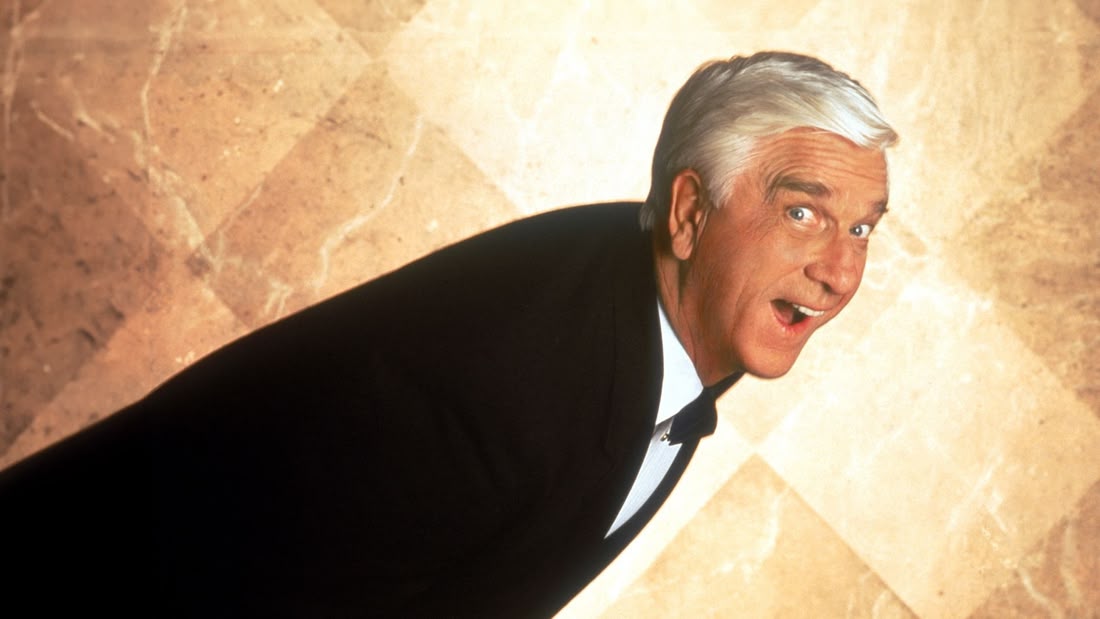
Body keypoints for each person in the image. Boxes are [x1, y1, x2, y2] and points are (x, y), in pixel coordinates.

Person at [0, 51, 897, 617]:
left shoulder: (668, 312)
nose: (840, 271)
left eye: (861, 228)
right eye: (804, 214)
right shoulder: (499, 396)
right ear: (691, 212)